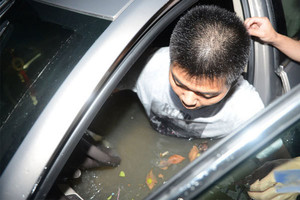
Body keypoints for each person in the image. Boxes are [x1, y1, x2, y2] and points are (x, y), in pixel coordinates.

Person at [131, 5, 264, 138]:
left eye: (206, 95)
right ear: (170, 61)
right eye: (179, 83)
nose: (188, 101)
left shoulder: (246, 110)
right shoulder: (147, 67)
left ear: (234, 82)